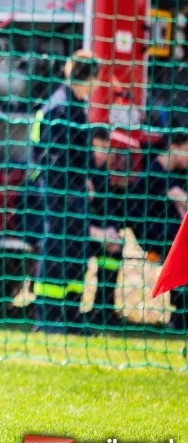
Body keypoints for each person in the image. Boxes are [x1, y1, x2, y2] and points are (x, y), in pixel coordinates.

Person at [31, 50, 107, 333]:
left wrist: (86, 180)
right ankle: (48, 317)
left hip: (72, 190)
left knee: (76, 252)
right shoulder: (61, 107)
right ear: (89, 77)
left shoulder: (74, 104)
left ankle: (71, 316)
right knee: (57, 250)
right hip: (60, 191)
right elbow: (54, 159)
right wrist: (73, 189)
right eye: (97, 78)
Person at [128, 132, 188, 332]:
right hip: (152, 233)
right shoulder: (155, 172)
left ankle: (180, 316)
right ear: (175, 147)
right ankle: (180, 318)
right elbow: (180, 198)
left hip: (165, 231)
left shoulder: (173, 174)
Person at [85, 127, 126, 328]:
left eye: (105, 149)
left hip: (95, 231)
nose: (102, 154)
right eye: (97, 148)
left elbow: (107, 208)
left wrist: (111, 231)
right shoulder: (78, 169)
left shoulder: (102, 174)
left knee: (114, 250)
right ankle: (72, 312)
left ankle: (104, 309)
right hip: (77, 231)